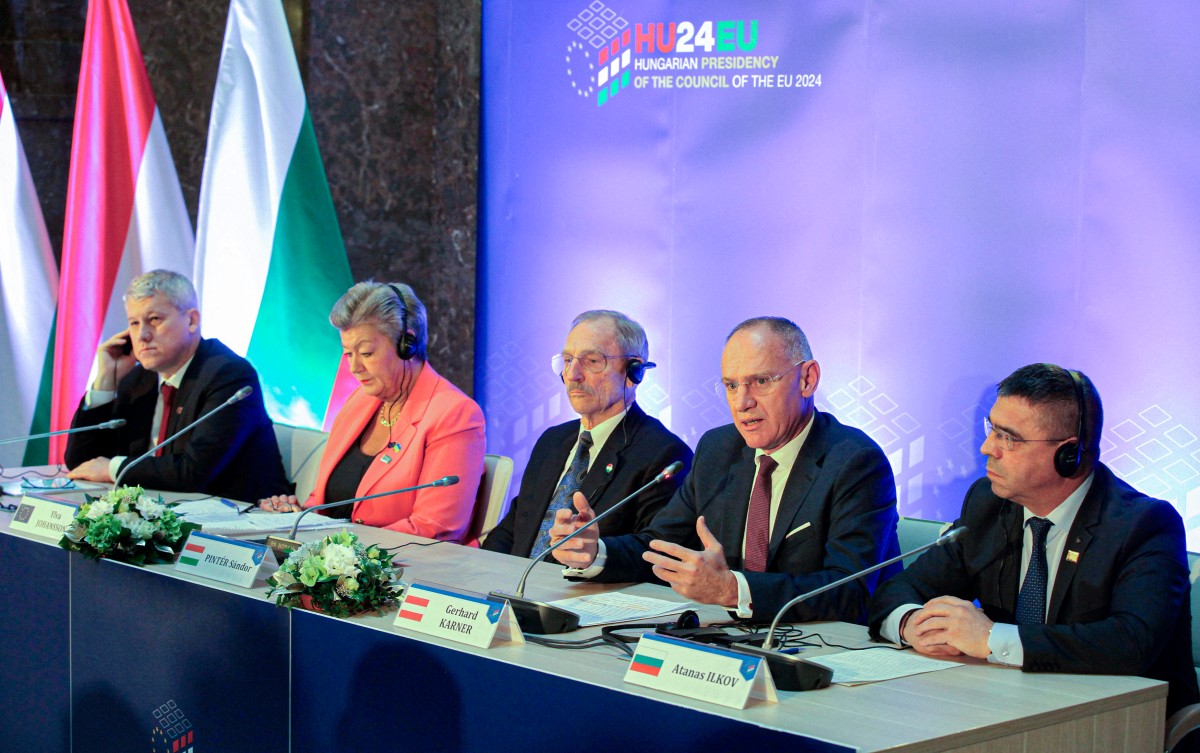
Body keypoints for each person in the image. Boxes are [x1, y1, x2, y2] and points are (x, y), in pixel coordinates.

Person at [868, 364, 1198, 718]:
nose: (986, 448)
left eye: (1008, 438)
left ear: (1067, 454)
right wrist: (912, 624)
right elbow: (898, 588)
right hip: (1008, 710)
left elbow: (1133, 641)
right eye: (991, 429)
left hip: (1121, 722)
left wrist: (992, 639)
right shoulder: (988, 504)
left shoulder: (1143, 525)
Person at [551, 316, 900, 624]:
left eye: (761, 381)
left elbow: (849, 590)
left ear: (807, 379)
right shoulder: (718, 449)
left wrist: (734, 591)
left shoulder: (854, 461)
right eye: (731, 385)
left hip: (823, 651)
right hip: (729, 639)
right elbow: (659, 546)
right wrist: (596, 552)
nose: (742, 402)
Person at [261, 281, 485, 542]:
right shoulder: (359, 401)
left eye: (366, 353)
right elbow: (322, 502)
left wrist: (340, 546)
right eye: (348, 354)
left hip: (403, 572)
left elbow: (436, 528)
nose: (355, 367)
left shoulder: (455, 414)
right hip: (332, 565)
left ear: (407, 344)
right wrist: (295, 518)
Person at [482, 310, 692, 558]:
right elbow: (514, 529)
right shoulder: (552, 441)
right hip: (517, 589)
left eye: (592, 361)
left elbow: (655, 549)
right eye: (568, 360)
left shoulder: (663, 454)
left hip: (582, 592)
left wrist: (597, 553)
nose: (572, 375)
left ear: (633, 372)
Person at [65, 270, 289, 501]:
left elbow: (194, 472)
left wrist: (112, 468)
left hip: (240, 521)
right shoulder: (137, 380)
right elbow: (82, 463)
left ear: (192, 320)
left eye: (154, 319)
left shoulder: (229, 375)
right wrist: (105, 380)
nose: (142, 335)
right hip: (161, 515)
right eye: (134, 323)